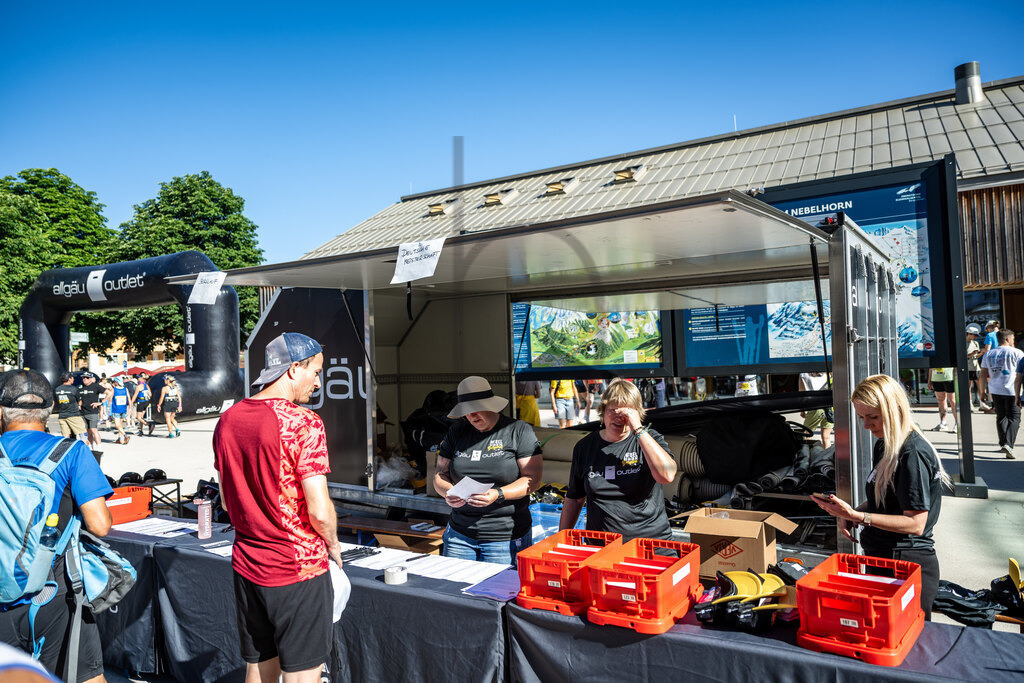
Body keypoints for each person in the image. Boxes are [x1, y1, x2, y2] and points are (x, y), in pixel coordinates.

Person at [213, 332, 341, 683]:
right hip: (296, 567)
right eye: (315, 372)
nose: (317, 382)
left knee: (259, 667)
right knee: (302, 674)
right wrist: (332, 544)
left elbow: (226, 498)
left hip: (247, 562)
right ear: (293, 369)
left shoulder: (228, 419)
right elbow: (319, 509)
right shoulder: (304, 423)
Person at [0, 369, 113, 683]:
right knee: (87, 675)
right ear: (49, 410)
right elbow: (101, 525)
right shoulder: (72, 452)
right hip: (54, 592)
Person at [811, 374, 951, 620]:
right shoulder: (885, 444)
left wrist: (860, 516)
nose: (866, 425)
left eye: (873, 417)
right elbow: (885, 500)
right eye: (861, 417)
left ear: (895, 409)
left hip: (904, 561)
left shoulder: (912, 454)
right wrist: (850, 514)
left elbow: (916, 524)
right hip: (886, 558)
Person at [433, 376, 542, 564]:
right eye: (466, 412)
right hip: (459, 535)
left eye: (476, 410)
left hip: (504, 537)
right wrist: (447, 492)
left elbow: (532, 479)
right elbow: (439, 474)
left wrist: (498, 494)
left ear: (491, 405)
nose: (471, 416)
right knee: (452, 591)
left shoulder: (518, 430)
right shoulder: (457, 431)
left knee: (497, 592)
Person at [559, 379, 678, 542]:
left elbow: (666, 475)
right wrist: (561, 540)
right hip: (602, 546)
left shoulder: (650, 440)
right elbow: (574, 498)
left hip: (650, 544)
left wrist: (638, 429)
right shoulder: (585, 447)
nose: (618, 418)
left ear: (636, 413)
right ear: (603, 411)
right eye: (613, 410)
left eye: (626, 413)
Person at [981, 328, 1024, 459]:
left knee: (1001, 416)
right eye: (1013, 339)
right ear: (1007, 339)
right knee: (1014, 417)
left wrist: (982, 391)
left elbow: (982, 374)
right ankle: (1008, 444)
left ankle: (1003, 443)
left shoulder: (988, 354)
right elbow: (1020, 375)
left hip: (995, 389)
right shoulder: (1018, 353)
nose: (1013, 341)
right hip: (1012, 390)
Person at [799, 371, 834, 449]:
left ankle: (802, 453)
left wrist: (802, 410)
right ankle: (827, 457)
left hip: (815, 406)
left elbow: (801, 393)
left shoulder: (803, 374)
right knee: (826, 436)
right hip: (830, 407)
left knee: (805, 434)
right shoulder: (827, 372)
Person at [54, 372, 87, 440]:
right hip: (74, 415)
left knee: (66, 437)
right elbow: (79, 401)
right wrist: (79, 405)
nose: (73, 379)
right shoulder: (73, 389)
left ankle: (67, 449)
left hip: (62, 416)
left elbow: (56, 402)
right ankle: (86, 449)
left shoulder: (57, 389)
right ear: (69, 379)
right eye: (72, 378)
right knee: (83, 435)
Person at [926, 367, 958, 433]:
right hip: (936, 378)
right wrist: (929, 381)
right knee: (940, 400)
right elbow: (930, 367)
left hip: (949, 377)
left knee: (952, 401)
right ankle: (943, 423)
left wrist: (957, 378)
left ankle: (958, 424)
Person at [77, 372, 104, 447]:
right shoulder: (81, 387)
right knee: (87, 432)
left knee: (93, 430)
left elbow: (109, 392)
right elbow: (80, 399)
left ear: (91, 379)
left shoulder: (96, 386)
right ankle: (91, 448)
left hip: (92, 412)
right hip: (83, 412)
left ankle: (99, 449)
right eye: (83, 377)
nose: (85, 379)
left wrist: (100, 403)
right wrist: (79, 405)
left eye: (87, 377)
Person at [966, 324, 987, 411]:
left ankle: (982, 403)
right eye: (974, 335)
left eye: (976, 335)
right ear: (968, 334)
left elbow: (975, 356)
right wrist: (973, 353)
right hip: (967, 368)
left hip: (976, 368)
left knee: (981, 386)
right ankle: (970, 404)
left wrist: (981, 353)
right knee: (969, 387)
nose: (975, 337)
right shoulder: (963, 343)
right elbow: (963, 357)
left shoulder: (975, 343)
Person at [106, 377, 131, 445]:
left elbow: (110, 398)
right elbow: (129, 398)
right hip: (123, 409)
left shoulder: (114, 389)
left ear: (116, 382)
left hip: (116, 409)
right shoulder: (125, 389)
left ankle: (125, 436)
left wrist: (108, 407)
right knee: (120, 425)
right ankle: (119, 438)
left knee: (117, 425)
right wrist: (130, 408)